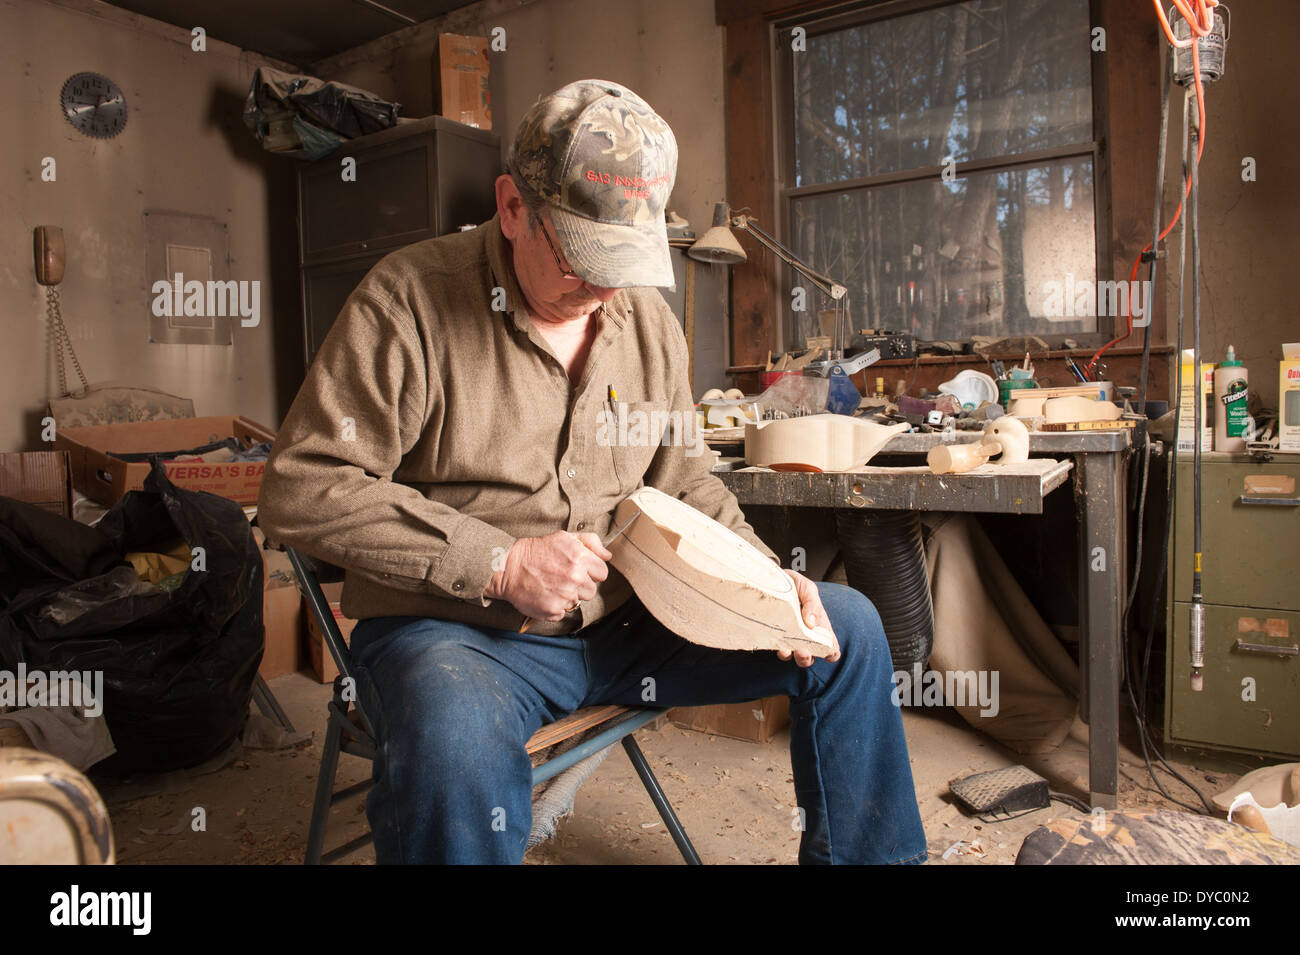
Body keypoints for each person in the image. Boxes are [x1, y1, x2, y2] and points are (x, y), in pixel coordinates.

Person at [258, 79, 926, 865]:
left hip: (625, 620)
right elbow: (301, 486)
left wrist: (767, 579)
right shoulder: (407, 303)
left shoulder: (644, 320)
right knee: (454, 743)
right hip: (459, 636)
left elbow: (686, 481)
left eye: (626, 261)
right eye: (582, 257)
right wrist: (499, 561)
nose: (605, 286)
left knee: (843, 630)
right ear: (513, 209)